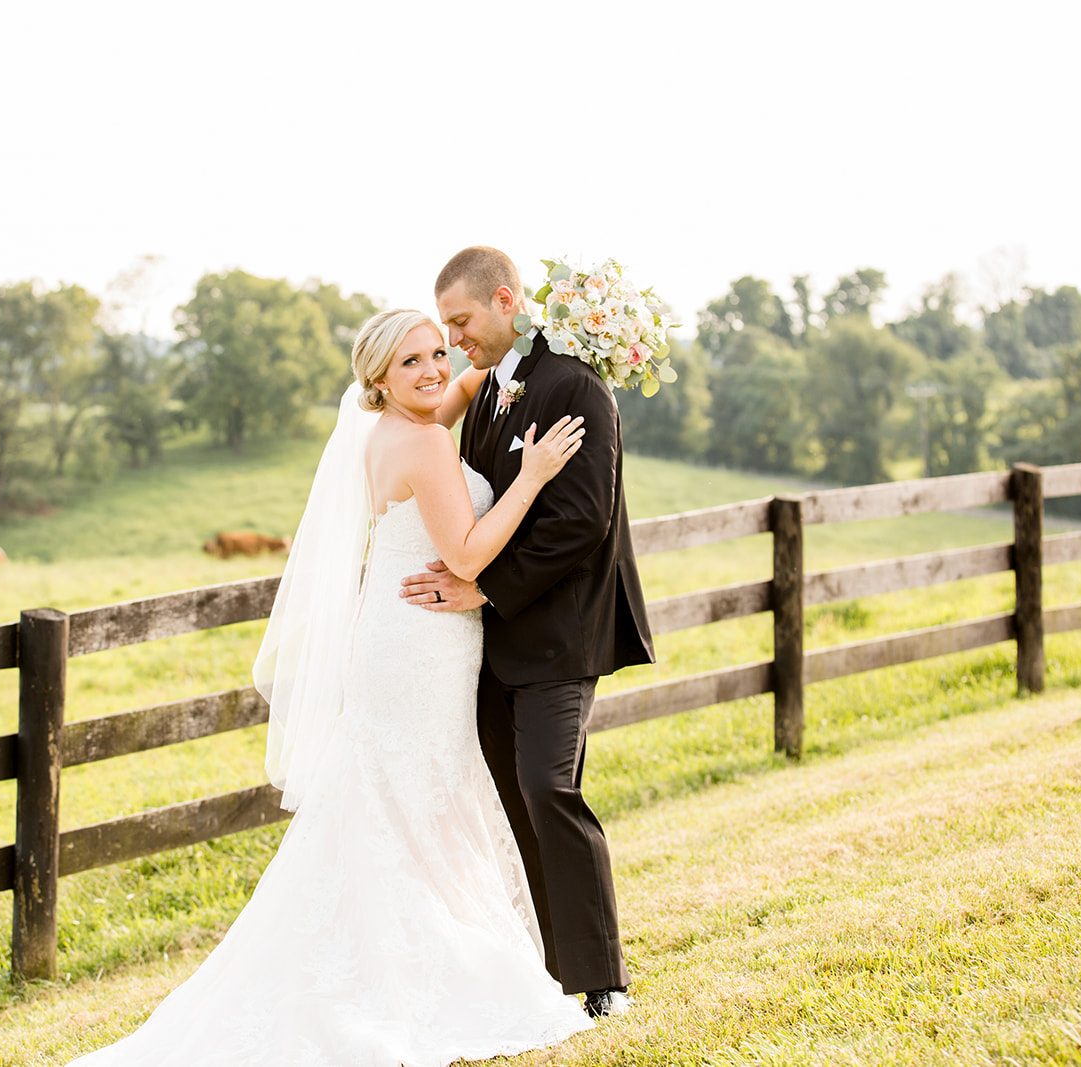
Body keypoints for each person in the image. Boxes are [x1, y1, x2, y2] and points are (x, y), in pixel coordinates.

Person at [67, 308, 593, 1066]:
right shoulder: (422, 444)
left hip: (394, 636)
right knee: (415, 796)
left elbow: (465, 380)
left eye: (437, 352)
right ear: (377, 377)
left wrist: (544, 337)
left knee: (394, 796)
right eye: (410, 361)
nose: (432, 370)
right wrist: (534, 476)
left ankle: (393, 943)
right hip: (422, 643)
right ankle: (413, 964)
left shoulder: (385, 430)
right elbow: (471, 555)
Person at [401, 246, 656, 1019]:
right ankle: (551, 973)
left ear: (506, 300)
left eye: (461, 322)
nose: (453, 341)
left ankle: (602, 977)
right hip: (492, 647)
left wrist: (483, 585)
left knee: (551, 788)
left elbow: (582, 520)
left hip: (560, 637)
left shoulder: (574, 385)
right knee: (515, 804)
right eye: (444, 327)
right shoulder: (487, 394)